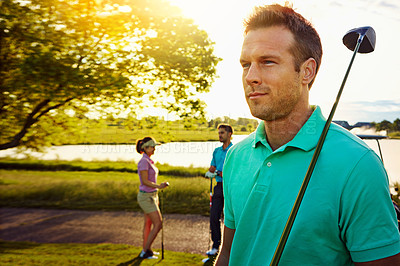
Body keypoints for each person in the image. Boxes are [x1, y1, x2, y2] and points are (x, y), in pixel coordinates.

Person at [216, 4, 400, 266]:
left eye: (267, 62)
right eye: (246, 64)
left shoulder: (359, 165)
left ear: (307, 71)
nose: (251, 77)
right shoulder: (236, 156)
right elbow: (228, 254)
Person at [136, 136, 168, 259]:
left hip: (152, 195)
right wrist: (159, 186)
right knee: (158, 224)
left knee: (148, 224)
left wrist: (157, 188)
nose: (154, 149)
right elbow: (145, 181)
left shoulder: (148, 160)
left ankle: (147, 249)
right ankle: (145, 251)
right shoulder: (144, 161)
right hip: (146, 197)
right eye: (152, 147)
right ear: (145, 148)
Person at [204, 124, 233, 256]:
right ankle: (216, 246)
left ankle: (231, 247)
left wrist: (218, 172)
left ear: (229, 134)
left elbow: (232, 172)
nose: (220, 135)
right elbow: (212, 167)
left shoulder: (234, 151)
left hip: (231, 187)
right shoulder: (217, 151)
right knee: (214, 216)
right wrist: (215, 171)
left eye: (222, 133)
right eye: (219, 133)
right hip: (218, 187)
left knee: (230, 218)